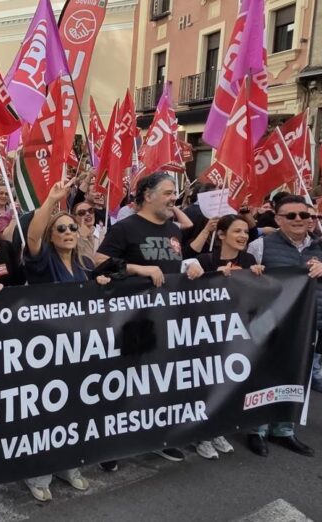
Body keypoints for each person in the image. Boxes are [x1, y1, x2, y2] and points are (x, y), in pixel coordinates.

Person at [95, 172, 204, 463]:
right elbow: (97, 262)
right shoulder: (125, 228)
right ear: (147, 195)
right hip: (129, 320)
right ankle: (113, 444)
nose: (174, 199)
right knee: (123, 383)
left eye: (174, 193)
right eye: (168, 193)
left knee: (160, 380)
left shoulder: (173, 230)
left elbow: (172, 265)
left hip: (166, 317)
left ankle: (156, 436)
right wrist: (137, 269)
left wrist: (189, 270)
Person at [21, 179, 111, 500]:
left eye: (73, 226)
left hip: (78, 348)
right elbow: (32, 235)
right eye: (62, 228)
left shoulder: (83, 266)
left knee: (74, 408)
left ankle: (67, 464)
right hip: (47, 350)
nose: (70, 231)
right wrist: (52, 201)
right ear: (52, 236)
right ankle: (38, 473)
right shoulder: (43, 261)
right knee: (46, 412)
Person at [245, 194, 322, 458]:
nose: (299, 220)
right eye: (291, 215)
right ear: (278, 219)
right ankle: (257, 429)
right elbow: (245, 282)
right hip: (270, 324)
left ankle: (284, 429)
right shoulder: (260, 245)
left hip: (310, 324)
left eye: (304, 215)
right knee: (264, 375)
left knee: (296, 379)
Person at [192, 214, 265, 460]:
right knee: (207, 384)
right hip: (207, 332)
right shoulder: (206, 260)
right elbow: (188, 287)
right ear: (221, 234)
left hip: (238, 331)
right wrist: (203, 275)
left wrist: (256, 275)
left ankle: (218, 429)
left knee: (229, 383)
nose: (243, 236)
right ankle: (202, 433)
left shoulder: (249, 260)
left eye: (245, 231)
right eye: (237, 231)